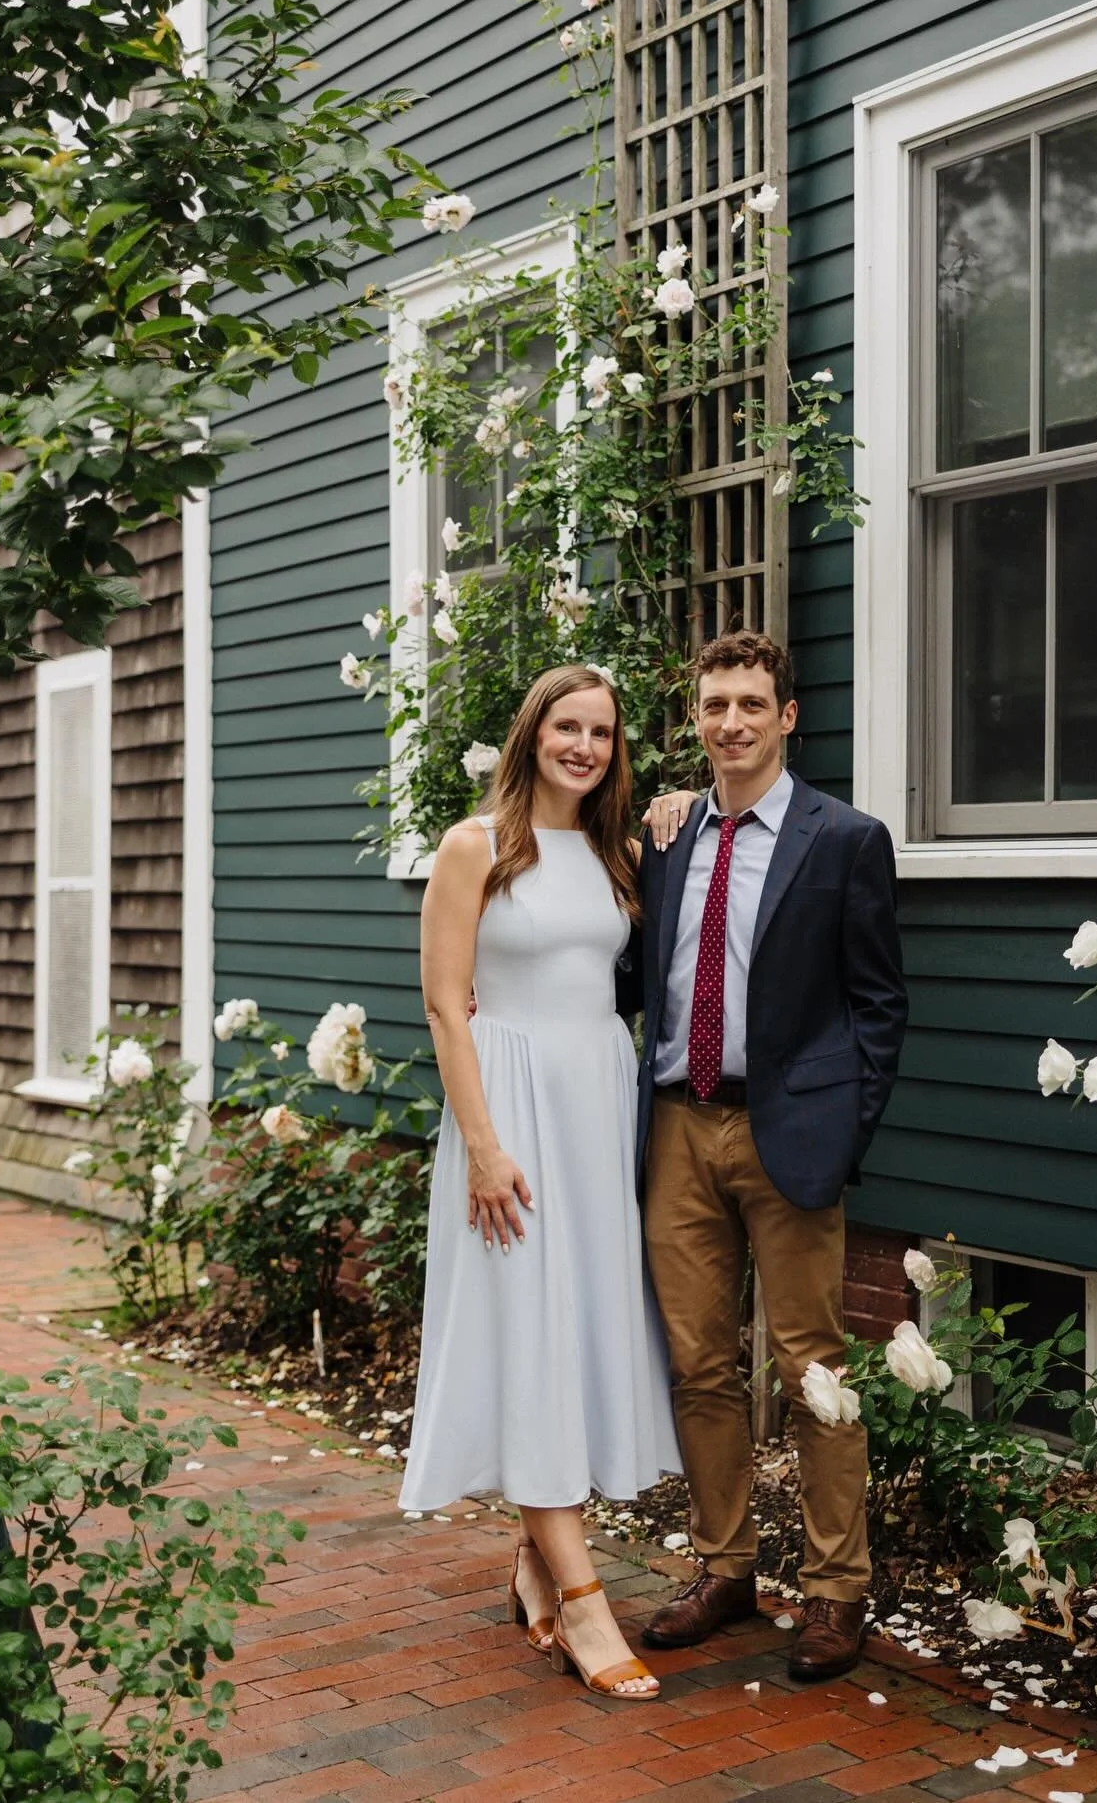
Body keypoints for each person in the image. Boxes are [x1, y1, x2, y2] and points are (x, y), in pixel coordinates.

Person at [400, 663, 684, 1702]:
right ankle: (583, 1600)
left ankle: (534, 1557)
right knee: (530, 1324)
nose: (585, 745)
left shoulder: (615, 851)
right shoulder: (475, 846)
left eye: (602, 731)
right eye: (567, 726)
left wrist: (683, 805)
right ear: (532, 735)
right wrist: (481, 1143)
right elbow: (445, 1003)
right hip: (510, 1113)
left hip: (596, 1111)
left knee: (573, 1329)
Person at [634, 630, 908, 1681]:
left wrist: (848, 1127)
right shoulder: (663, 837)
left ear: (787, 716)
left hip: (790, 1130)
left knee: (815, 1369)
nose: (732, 722)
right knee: (700, 1363)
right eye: (714, 705)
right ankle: (726, 1566)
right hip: (675, 1124)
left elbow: (880, 1001)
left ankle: (838, 1588)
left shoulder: (845, 839)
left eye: (752, 702)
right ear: (696, 719)